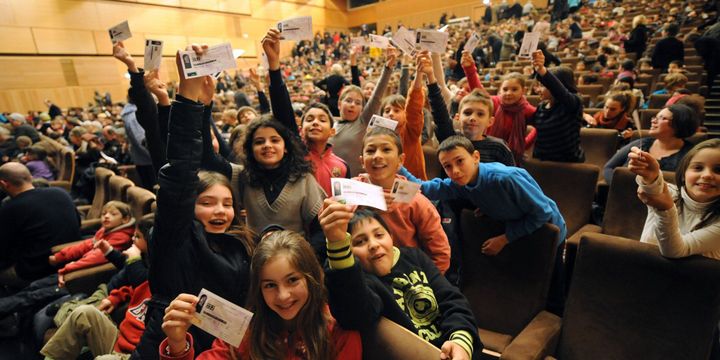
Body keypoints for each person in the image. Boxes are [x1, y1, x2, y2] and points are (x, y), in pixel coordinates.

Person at [131, 44, 255, 358]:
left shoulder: (239, 244)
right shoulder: (176, 237)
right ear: (188, 206)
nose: (220, 211)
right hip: (168, 346)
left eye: (227, 204)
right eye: (208, 203)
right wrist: (186, 93)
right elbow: (180, 172)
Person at [399, 135, 567, 314]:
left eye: (460, 161)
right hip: (518, 228)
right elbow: (425, 188)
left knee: (552, 290)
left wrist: (504, 239)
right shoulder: (460, 182)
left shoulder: (505, 178)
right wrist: (396, 165)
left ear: (476, 157)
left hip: (548, 232)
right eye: (447, 166)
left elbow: (543, 213)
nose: (455, 171)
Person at [159, 231, 362, 359]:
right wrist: (177, 345)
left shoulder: (339, 331)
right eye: (270, 285)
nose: (283, 296)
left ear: (311, 279)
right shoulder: (245, 328)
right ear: (258, 289)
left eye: (292, 280)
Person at [319, 205, 481, 360]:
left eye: (379, 235)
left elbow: (452, 299)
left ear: (391, 237)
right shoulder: (363, 284)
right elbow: (354, 315)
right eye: (360, 242)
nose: (374, 245)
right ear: (349, 253)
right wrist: (337, 242)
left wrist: (461, 340)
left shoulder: (414, 257)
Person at [40, 217, 153, 359]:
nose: (133, 239)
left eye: (137, 236)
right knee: (83, 313)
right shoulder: (152, 272)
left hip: (135, 355)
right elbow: (140, 287)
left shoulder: (171, 280)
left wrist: (133, 259)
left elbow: (139, 279)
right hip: (118, 341)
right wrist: (115, 297)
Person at [262, 28, 350, 195]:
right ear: (301, 129)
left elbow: (343, 202)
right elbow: (283, 110)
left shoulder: (343, 166)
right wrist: (274, 67)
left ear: (332, 131)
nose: (315, 122)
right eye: (309, 119)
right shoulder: (293, 152)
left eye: (322, 120)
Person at [354, 126, 451, 273]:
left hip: (407, 278)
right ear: (362, 161)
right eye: (370, 151)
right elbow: (328, 218)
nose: (377, 156)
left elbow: (440, 251)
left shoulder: (415, 201)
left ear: (400, 160)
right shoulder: (351, 189)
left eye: (386, 150)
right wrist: (365, 199)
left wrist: (428, 285)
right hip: (362, 276)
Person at [628, 139, 720, 259]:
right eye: (698, 168)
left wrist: (665, 209)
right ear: (683, 175)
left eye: (718, 170)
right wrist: (649, 174)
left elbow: (675, 250)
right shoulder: (671, 193)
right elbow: (653, 185)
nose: (707, 175)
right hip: (644, 269)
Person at [0, 162, 80, 287]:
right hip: (71, 261)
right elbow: (78, 223)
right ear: (30, 177)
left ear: (4, 184)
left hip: (34, 272)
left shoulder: (10, 208)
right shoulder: (60, 193)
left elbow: (4, 249)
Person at [328, 47, 396, 177]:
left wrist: (387, 68)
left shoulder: (363, 121)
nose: (353, 105)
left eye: (358, 103)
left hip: (357, 185)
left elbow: (377, 96)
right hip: (333, 183)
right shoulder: (331, 125)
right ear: (339, 104)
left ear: (362, 108)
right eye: (349, 100)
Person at [462, 51, 536, 164]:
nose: (508, 93)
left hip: (510, 156)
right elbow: (477, 89)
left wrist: (524, 144)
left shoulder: (527, 110)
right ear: (500, 90)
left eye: (514, 89)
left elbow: (539, 127)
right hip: (488, 151)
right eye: (505, 89)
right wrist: (469, 68)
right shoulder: (495, 102)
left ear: (523, 91)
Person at [603, 104, 699, 184]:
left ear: (679, 124)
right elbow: (609, 168)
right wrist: (620, 186)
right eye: (655, 117)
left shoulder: (690, 155)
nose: (653, 121)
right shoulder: (640, 144)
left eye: (662, 118)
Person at [48, 200, 135, 288]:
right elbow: (86, 245)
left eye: (113, 214)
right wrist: (60, 256)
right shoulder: (105, 230)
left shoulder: (121, 237)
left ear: (125, 219)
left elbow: (96, 257)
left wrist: (67, 268)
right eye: (104, 214)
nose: (106, 216)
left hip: (88, 275)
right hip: (76, 266)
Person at [378, 51, 430, 180]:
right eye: (387, 110)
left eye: (397, 110)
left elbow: (414, 107)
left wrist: (419, 74)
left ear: (405, 114)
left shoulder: (410, 131)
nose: (391, 114)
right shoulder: (378, 134)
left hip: (413, 187)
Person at [529, 50, 584, 163]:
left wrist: (542, 70)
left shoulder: (573, 103)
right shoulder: (541, 107)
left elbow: (560, 92)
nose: (538, 90)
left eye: (543, 85)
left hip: (567, 165)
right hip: (542, 162)